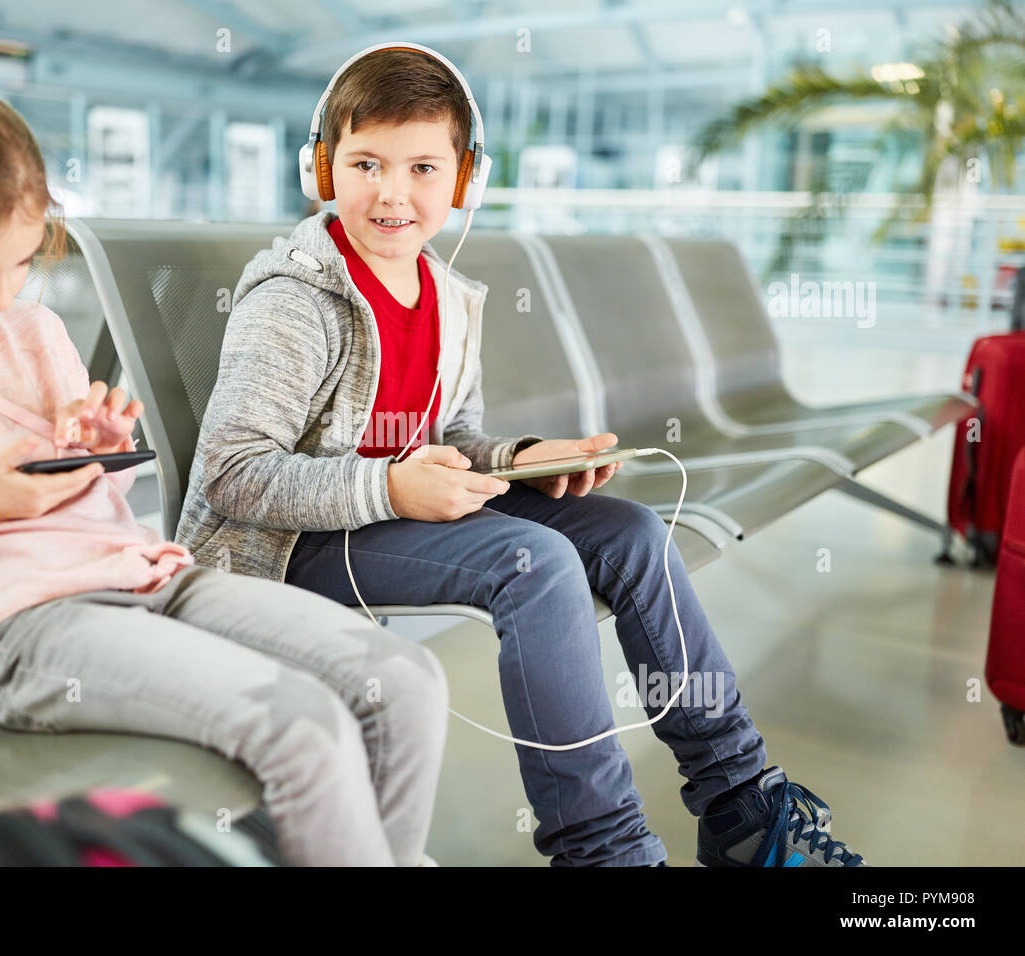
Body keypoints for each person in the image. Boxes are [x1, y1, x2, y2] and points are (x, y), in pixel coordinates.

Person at [176, 44, 867, 867]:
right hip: (295, 545)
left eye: (423, 168)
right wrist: (388, 485)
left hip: (398, 512)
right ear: (322, 169)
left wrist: (524, 457)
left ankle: (742, 805)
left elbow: (456, 439)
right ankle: (604, 849)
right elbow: (231, 472)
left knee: (630, 533)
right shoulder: (295, 302)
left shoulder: (448, 298)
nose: (393, 193)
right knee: (530, 559)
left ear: (464, 180)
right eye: (366, 163)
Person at [0, 83, 449, 867]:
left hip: (148, 580)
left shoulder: (35, 328)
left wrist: (95, 455)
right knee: (305, 726)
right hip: (27, 630)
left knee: (404, 683)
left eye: (21, 262)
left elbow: (94, 507)